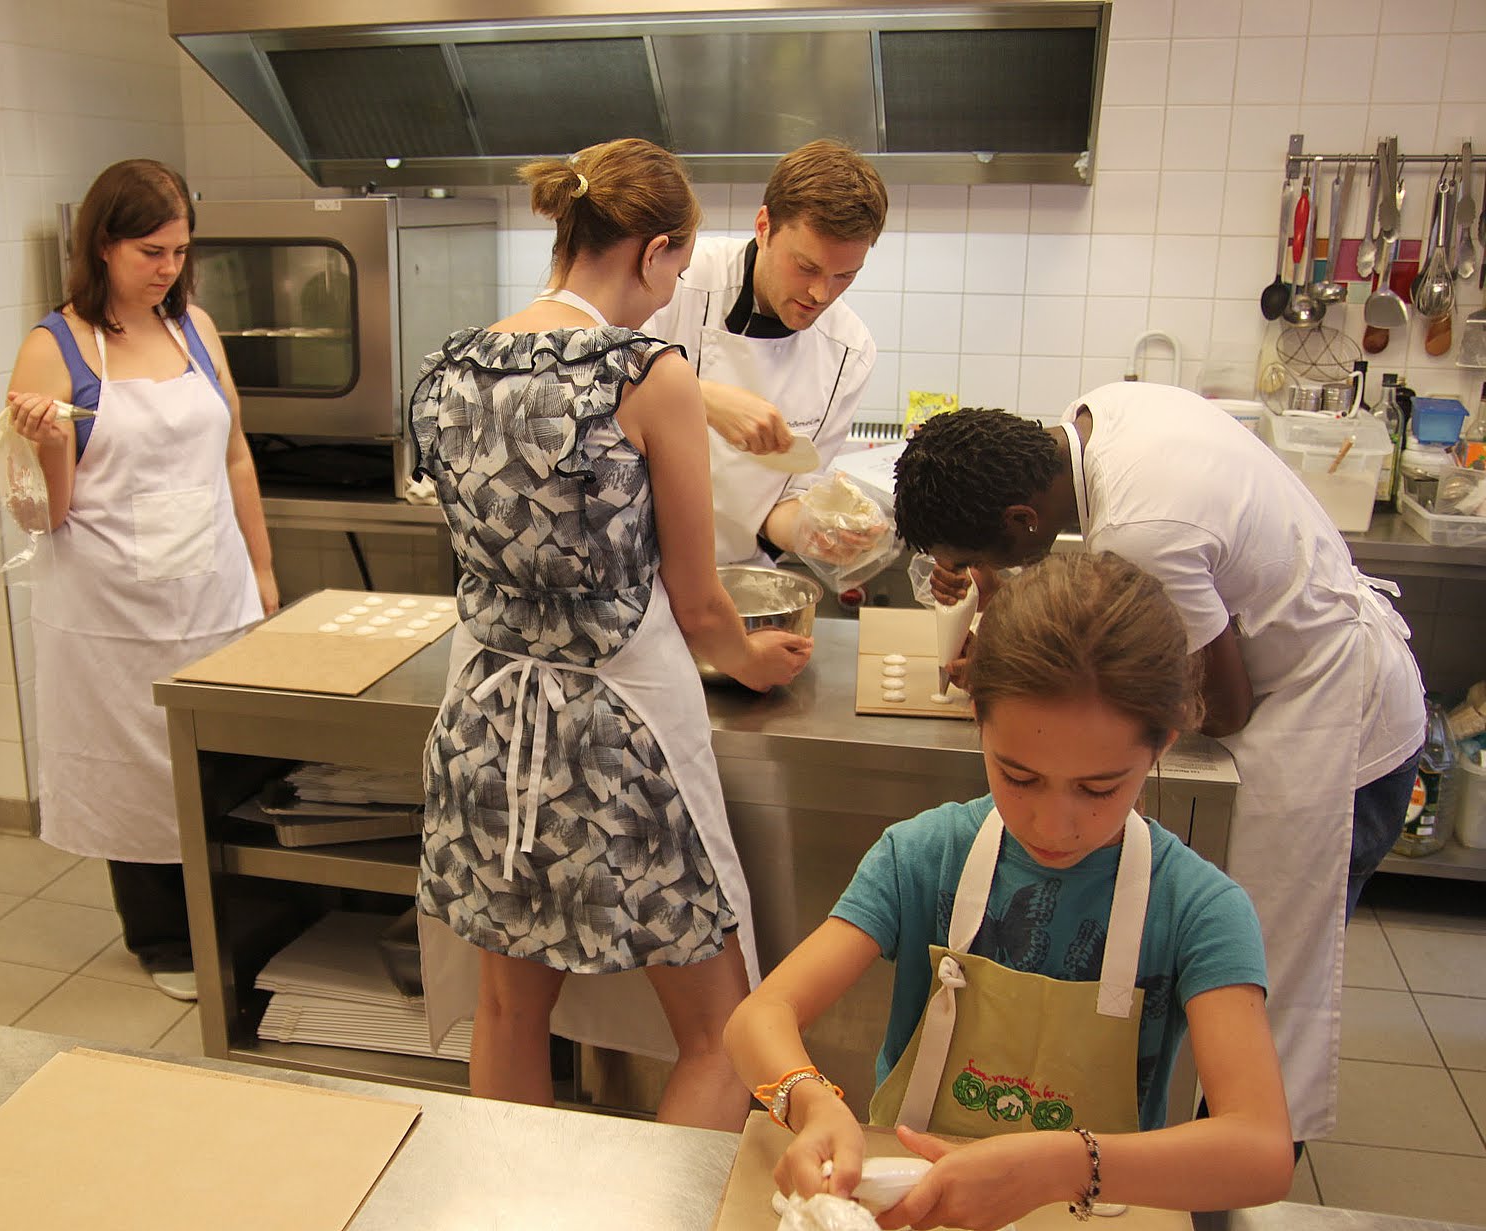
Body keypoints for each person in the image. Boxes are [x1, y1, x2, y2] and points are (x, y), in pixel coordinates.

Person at [894, 384, 1427, 1146]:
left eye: (979, 560)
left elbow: (1224, 703)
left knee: (1270, 983)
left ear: (1023, 521)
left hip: (1335, 721)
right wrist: (998, 598)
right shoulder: (1101, 415)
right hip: (1307, 674)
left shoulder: (1143, 528)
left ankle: (1233, 1162)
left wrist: (1021, 676)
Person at [406, 138, 814, 1131]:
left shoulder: (450, 366)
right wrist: (754, 660)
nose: (674, 289)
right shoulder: (648, 372)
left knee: (507, 1009)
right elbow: (700, 600)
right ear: (657, 250)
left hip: (484, 723)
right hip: (618, 733)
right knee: (726, 1036)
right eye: (678, 267)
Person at [723, 553, 1295, 1230]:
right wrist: (810, 1101)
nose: (1053, 823)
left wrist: (1062, 1163)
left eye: (1099, 787)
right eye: (1019, 776)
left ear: (1161, 745)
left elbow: (1260, 1149)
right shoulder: (924, 857)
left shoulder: (1198, 909)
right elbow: (758, 1017)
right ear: (979, 719)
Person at [8, 159, 278, 1001]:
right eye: (151, 252)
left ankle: (239, 919)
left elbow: (234, 453)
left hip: (212, 585)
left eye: (179, 251)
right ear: (102, 246)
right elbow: (38, 515)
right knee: (135, 765)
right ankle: (162, 940)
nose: (168, 268)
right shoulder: (52, 347)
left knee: (226, 758)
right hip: (109, 606)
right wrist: (44, 444)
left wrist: (265, 572)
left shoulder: (194, 327)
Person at [642, 139, 888, 567]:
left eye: (845, 276)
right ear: (764, 226)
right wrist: (696, 395)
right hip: (637, 573)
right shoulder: (679, 277)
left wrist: (817, 532)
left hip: (738, 577)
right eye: (807, 267)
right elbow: (588, 377)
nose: (820, 293)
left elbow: (786, 502)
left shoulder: (849, 351)